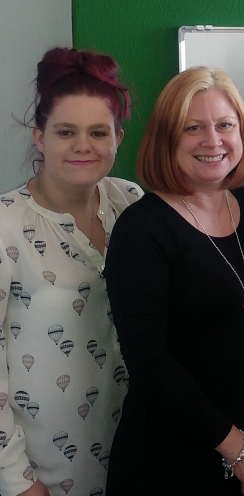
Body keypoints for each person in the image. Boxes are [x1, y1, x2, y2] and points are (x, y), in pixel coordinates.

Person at [104, 67, 244, 495]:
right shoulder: (142, 227)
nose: (213, 140)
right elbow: (149, 363)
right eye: (193, 128)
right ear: (167, 137)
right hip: (172, 455)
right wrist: (232, 445)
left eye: (225, 125)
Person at [0, 47, 142, 495]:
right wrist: (17, 480)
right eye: (66, 132)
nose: (84, 146)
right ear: (39, 136)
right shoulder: (6, 225)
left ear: (119, 136)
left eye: (99, 131)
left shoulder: (132, 204)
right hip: (43, 471)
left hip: (133, 453)